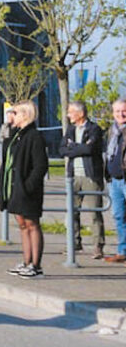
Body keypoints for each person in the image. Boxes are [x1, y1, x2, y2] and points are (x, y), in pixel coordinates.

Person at [0, 100, 48, 279]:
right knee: (22, 225)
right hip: (14, 188)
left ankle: (36, 264)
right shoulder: (16, 135)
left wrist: (28, 186)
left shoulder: (33, 136)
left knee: (32, 224)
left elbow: (40, 166)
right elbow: (7, 157)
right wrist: (7, 130)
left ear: (25, 115)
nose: (12, 116)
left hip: (27, 190)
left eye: (16, 113)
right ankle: (26, 261)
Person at [60, 101, 105, 259]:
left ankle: (98, 246)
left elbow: (90, 149)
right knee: (72, 211)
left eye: (71, 112)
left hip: (90, 176)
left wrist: (73, 147)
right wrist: (78, 147)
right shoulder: (71, 130)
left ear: (80, 114)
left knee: (95, 212)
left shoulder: (94, 129)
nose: (68, 115)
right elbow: (62, 149)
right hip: (73, 176)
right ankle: (75, 242)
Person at [102, 98, 126, 264]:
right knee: (118, 216)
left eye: (124, 111)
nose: (121, 114)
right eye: (117, 111)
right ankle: (122, 251)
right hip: (114, 180)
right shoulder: (112, 131)